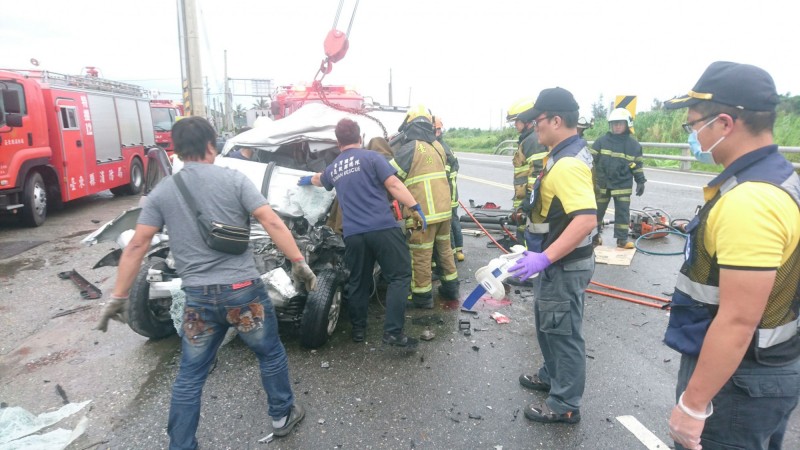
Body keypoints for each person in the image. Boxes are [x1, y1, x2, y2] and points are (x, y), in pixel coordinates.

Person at [95, 116, 316, 448]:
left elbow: (138, 244)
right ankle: (282, 416)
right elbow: (270, 220)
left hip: (198, 299)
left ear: (177, 150)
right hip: (244, 293)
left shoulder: (163, 192)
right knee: (269, 353)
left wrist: (119, 296)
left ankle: (182, 444)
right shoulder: (235, 179)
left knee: (190, 375)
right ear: (212, 145)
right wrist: (299, 264)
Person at [662, 61, 800, 450]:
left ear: (723, 123)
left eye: (693, 126)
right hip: (761, 370)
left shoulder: (752, 200)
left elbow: (739, 319)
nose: (692, 135)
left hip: (738, 381)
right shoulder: (779, 178)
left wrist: (692, 406)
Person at [508, 87, 597, 425]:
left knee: (563, 331)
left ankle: (565, 403)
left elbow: (586, 219)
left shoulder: (568, 164)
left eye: (538, 120)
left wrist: (544, 259)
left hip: (562, 263)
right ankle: (551, 375)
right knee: (549, 324)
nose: (534, 126)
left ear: (557, 120)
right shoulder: (562, 154)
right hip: (555, 259)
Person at [298, 118, 423, 349]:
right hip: (382, 228)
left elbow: (319, 179)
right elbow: (394, 185)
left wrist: (307, 180)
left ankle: (358, 330)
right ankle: (393, 333)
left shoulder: (335, 167)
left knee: (358, 281)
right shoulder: (372, 157)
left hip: (354, 234)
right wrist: (414, 207)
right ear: (360, 137)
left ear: (338, 142)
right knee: (400, 276)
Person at [390, 105, 459, 308]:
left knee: (421, 255)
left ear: (409, 126)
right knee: (445, 250)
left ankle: (422, 297)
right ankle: (451, 288)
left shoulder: (410, 148)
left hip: (423, 214)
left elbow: (391, 176)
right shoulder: (438, 146)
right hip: (444, 212)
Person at [590, 108, 646, 248]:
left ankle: (622, 240)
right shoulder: (601, 141)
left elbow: (636, 165)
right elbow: (590, 162)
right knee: (597, 212)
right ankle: (594, 238)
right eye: (614, 123)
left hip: (622, 185)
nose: (617, 126)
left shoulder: (633, 146)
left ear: (627, 125)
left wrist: (640, 181)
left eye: (620, 123)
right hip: (601, 184)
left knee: (622, 214)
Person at [507, 97, 549, 243]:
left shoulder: (532, 141)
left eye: (516, 121)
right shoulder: (528, 140)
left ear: (526, 120)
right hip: (525, 202)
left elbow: (537, 174)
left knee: (530, 239)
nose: (515, 125)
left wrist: (527, 203)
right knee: (522, 236)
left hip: (531, 203)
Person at [434, 116, 465, 262]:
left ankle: (453, 253)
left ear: (438, 131)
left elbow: (443, 176)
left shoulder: (441, 150)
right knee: (454, 221)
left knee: (449, 224)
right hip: (452, 193)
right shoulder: (444, 147)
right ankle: (458, 250)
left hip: (448, 194)